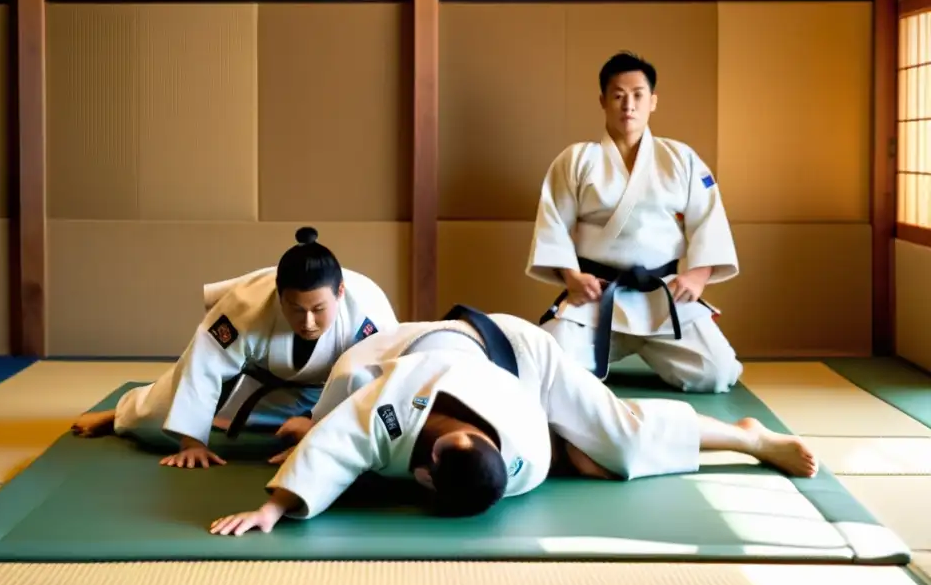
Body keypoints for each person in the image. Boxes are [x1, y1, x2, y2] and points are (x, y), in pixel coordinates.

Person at [264, 307, 816, 492]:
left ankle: (748, 437)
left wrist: (312, 431)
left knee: (622, 444)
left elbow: (347, 429)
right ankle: (581, 446)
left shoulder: (374, 388)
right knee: (599, 458)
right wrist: (312, 426)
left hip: (523, 357)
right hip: (476, 379)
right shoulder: (360, 382)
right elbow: (344, 427)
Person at [70, 226, 399, 470]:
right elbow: (203, 366)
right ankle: (120, 413)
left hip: (326, 389)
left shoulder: (368, 308)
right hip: (258, 372)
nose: (309, 321)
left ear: (340, 291)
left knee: (280, 426)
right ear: (279, 294)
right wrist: (192, 442)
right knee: (159, 416)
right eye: (297, 310)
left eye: (319, 309)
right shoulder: (247, 305)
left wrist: (319, 436)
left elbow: (381, 383)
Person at [527, 51, 742, 394]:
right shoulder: (577, 159)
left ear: (652, 101)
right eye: (618, 95)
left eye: (638, 95)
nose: (628, 105)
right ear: (603, 101)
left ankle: (654, 349)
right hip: (597, 296)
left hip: (662, 295)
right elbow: (552, 223)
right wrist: (571, 277)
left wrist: (698, 275)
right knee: (544, 368)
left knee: (716, 372)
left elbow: (709, 221)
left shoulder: (681, 159)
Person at [209, 349, 553, 536]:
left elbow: (343, 444)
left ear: (425, 477)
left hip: (499, 358)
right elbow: (336, 442)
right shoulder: (394, 403)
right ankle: (310, 422)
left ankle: (307, 428)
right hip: (415, 347)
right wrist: (274, 507)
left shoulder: (531, 458)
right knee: (350, 376)